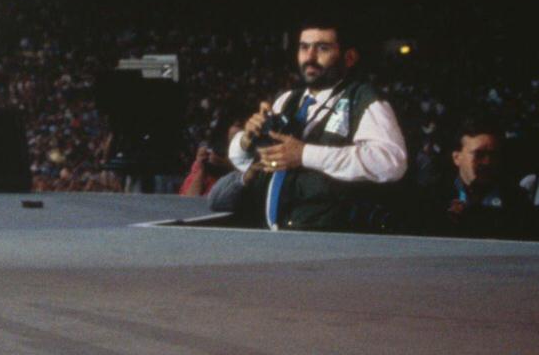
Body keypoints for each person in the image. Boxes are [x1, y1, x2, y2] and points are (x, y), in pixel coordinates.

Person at [228, 20, 407, 231]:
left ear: (349, 58)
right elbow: (245, 162)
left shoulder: (364, 100)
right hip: (276, 238)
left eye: (323, 48)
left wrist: (304, 154)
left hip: (329, 242)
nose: (310, 58)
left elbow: (390, 162)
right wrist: (246, 141)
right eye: (304, 47)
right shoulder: (286, 101)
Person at [419, 119, 535, 239]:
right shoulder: (432, 200)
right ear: (457, 158)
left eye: (493, 155)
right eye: (478, 154)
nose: (487, 162)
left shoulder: (517, 203)